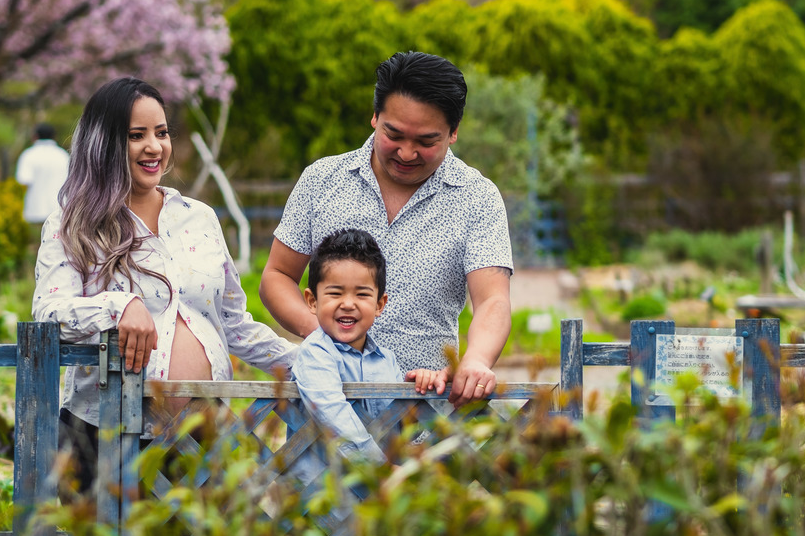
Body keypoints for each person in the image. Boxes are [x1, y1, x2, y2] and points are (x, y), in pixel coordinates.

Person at [32, 77, 298, 493]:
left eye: (162, 132)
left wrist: (306, 361)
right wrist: (118, 306)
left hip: (203, 435)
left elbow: (233, 325)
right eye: (136, 135)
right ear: (104, 143)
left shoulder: (200, 217)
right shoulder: (71, 224)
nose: (154, 146)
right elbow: (48, 313)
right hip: (109, 435)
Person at [261, 51, 513, 407]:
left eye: (426, 142)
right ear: (375, 116)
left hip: (425, 408)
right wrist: (326, 335)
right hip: (327, 401)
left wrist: (476, 360)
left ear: (453, 133)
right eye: (393, 134)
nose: (407, 153)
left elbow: (492, 299)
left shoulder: (477, 198)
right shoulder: (321, 181)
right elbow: (277, 275)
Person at [285, 228, 441, 512]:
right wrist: (380, 472)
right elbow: (333, 414)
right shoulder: (315, 354)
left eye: (362, 294)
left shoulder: (387, 361)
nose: (348, 303)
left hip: (378, 507)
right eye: (335, 293)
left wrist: (420, 392)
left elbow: (404, 429)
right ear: (312, 301)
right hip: (324, 504)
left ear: (380, 304)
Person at [15, 123, 70, 224]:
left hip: (35, 210)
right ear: (54, 136)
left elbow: (23, 180)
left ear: (35, 137)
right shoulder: (63, 155)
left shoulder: (28, 155)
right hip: (59, 209)